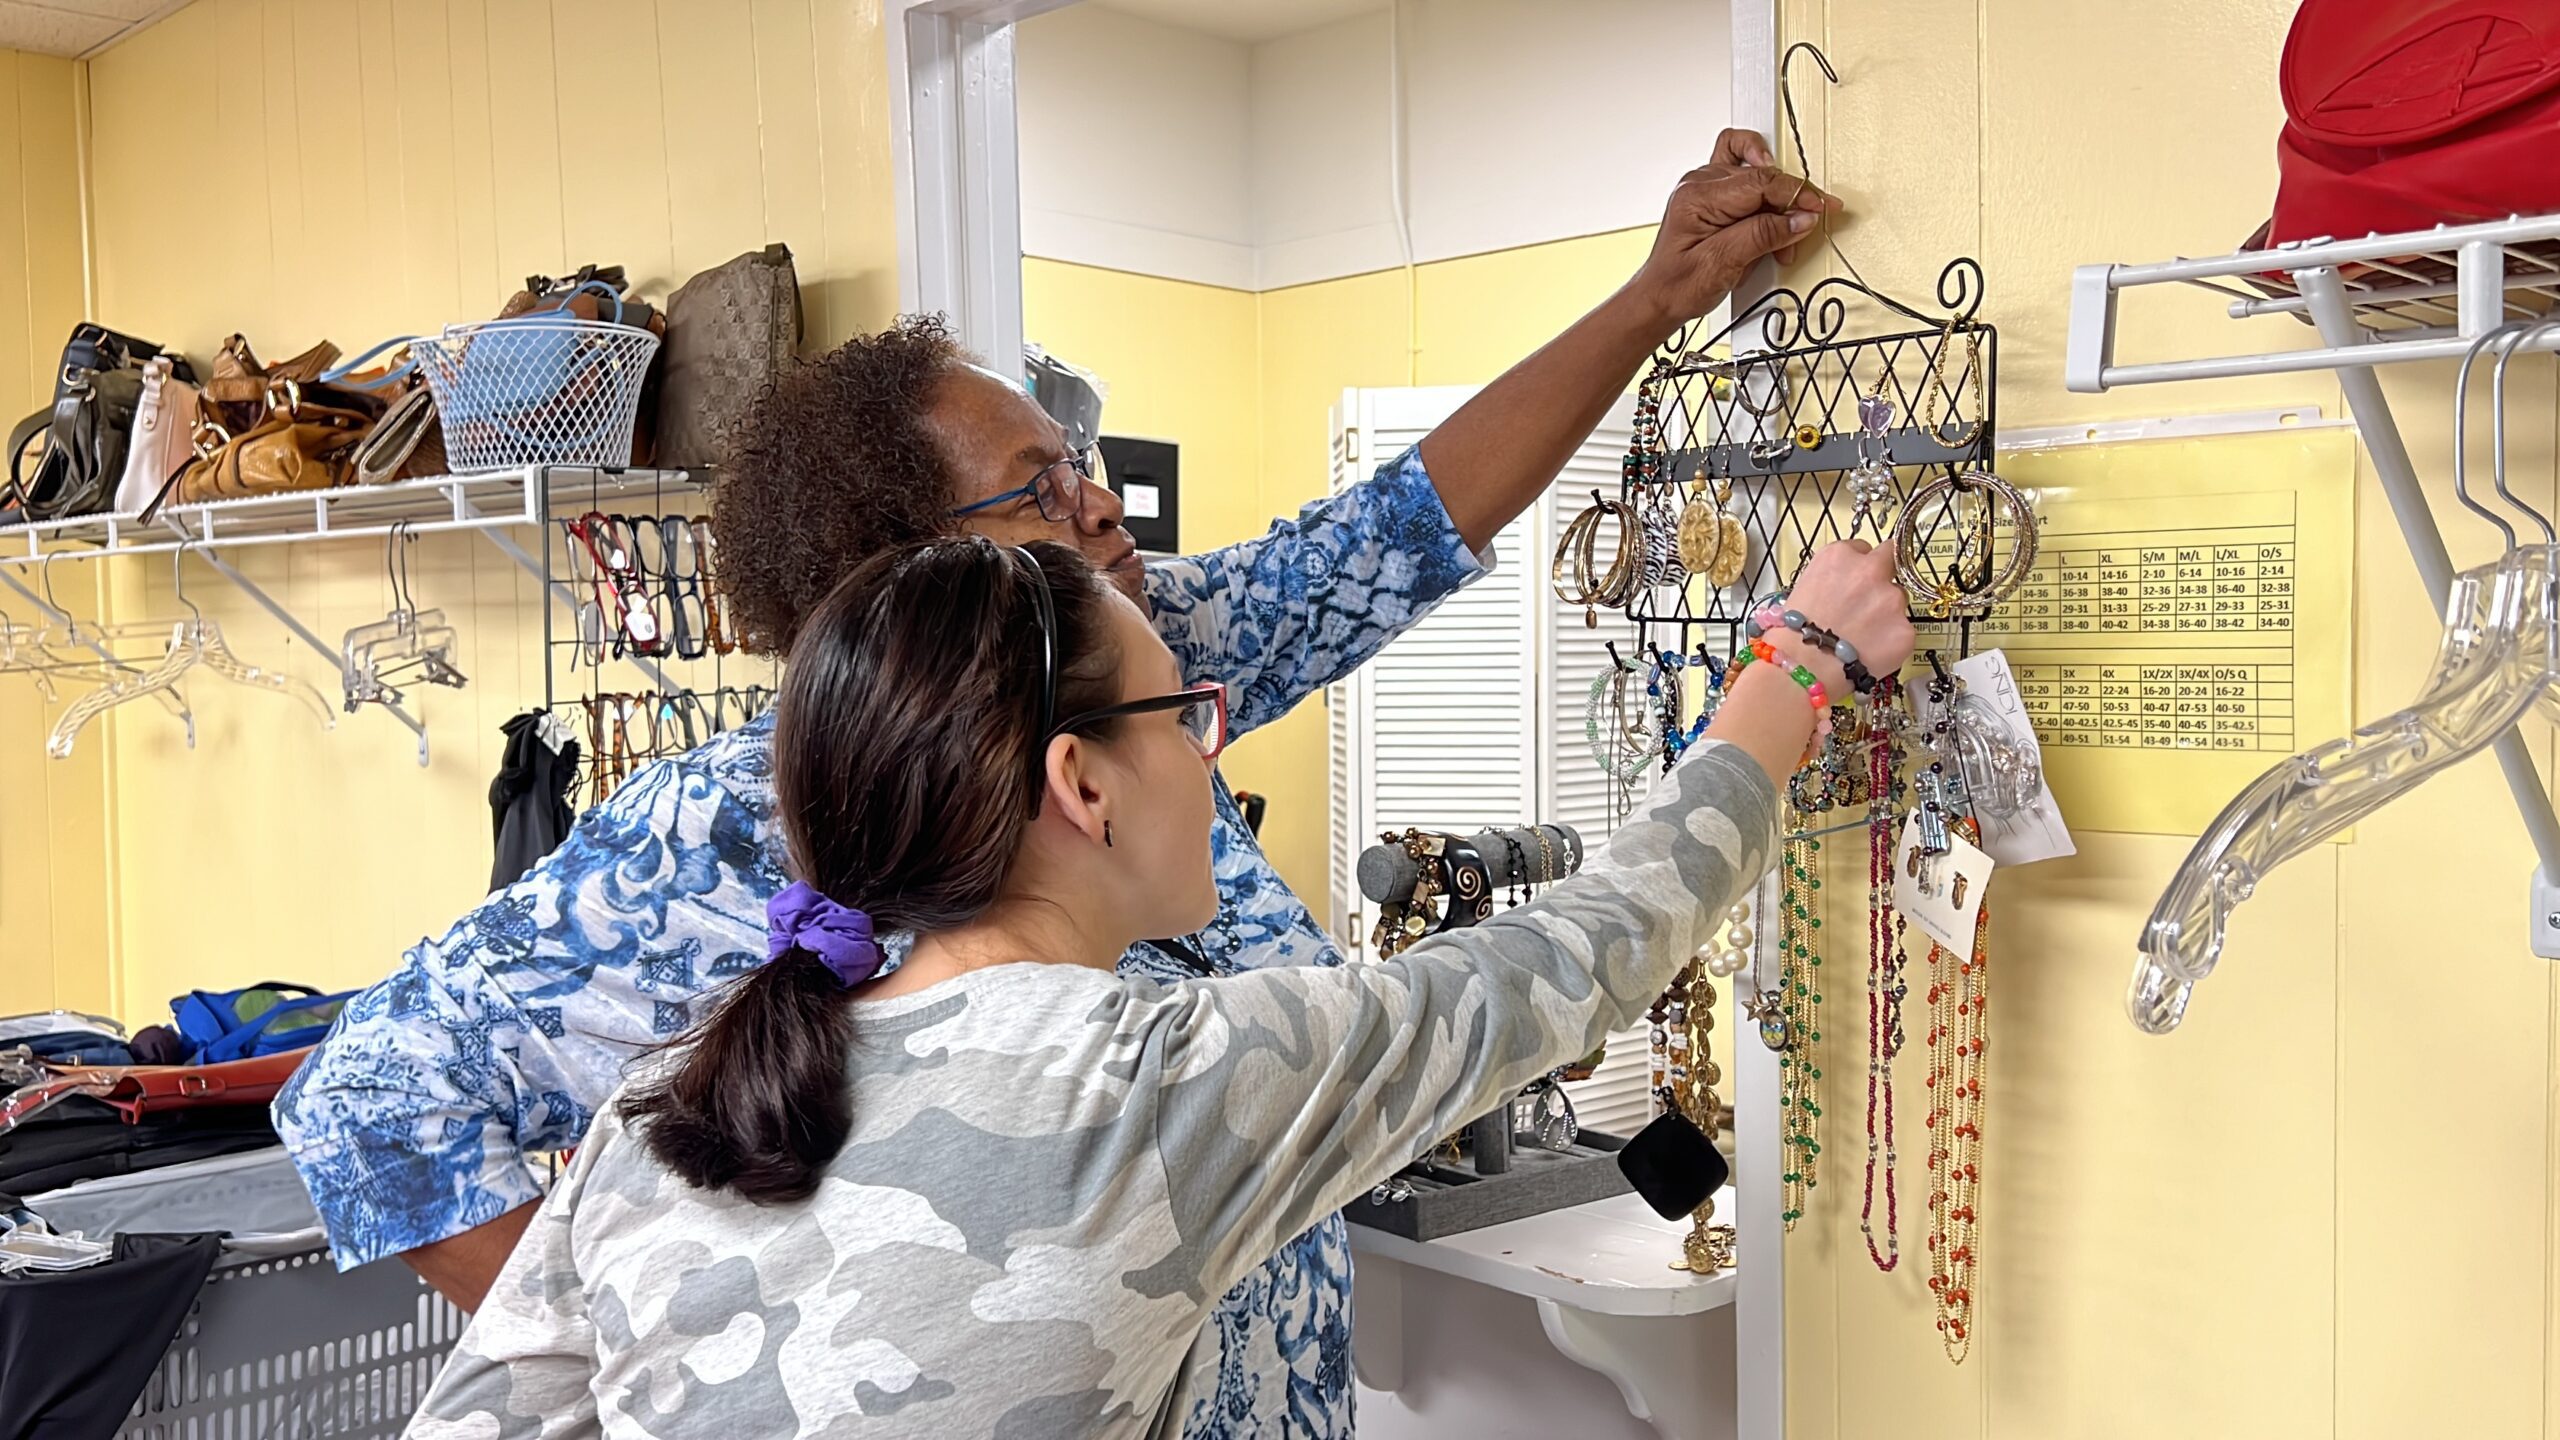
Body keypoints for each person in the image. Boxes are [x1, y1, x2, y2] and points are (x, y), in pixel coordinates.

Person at [277, 131, 1839, 1440]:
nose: (1106, 507)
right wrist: (735, 1377)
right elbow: (369, 1100)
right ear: (914, 581)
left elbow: (1399, 530)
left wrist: (1661, 296)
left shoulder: (1148, 654)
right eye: (1045, 485)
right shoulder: (719, 826)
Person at [404, 535, 1915, 1439]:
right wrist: (1797, 663)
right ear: (1084, 785)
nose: (1211, 748)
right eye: (1183, 715)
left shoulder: (666, 1103)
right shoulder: (1160, 1083)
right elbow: (1582, 957)